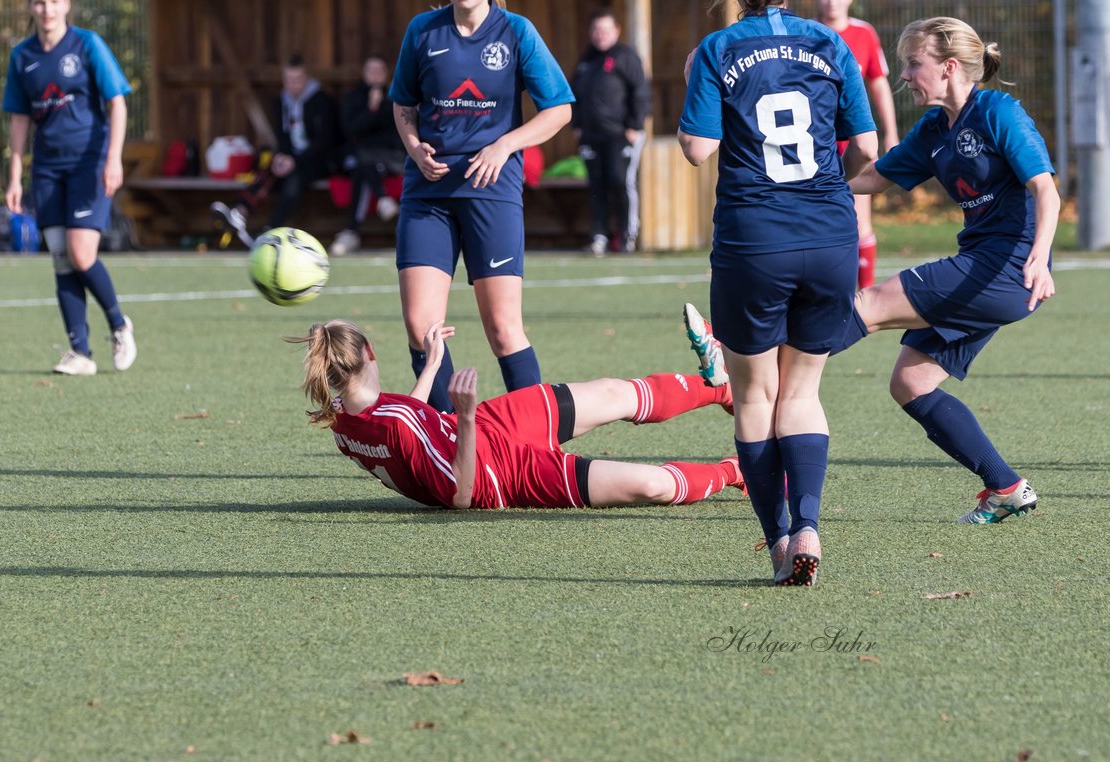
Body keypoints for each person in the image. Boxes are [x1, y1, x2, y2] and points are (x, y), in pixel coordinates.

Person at [679, 0, 877, 585]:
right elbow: (865, 145)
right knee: (803, 393)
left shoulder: (719, 48)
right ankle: (811, 524)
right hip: (831, 236)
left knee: (756, 399)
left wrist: (697, 78)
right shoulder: (829, 42)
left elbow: (696, 149)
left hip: (754, 242)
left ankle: (778, 540)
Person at [833, 17, 1058, 523]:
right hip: (985, 270)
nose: (905, 76)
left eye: (914, 64)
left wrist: (1040, 258)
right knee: (911, 383)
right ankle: (1006, 487)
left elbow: (1045, 189)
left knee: (869, 303)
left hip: (1003, 269)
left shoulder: (998, 111)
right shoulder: (935, 129)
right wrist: (811, 187)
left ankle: (735, 376)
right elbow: (874, 177)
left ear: (949, 67)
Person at [287, 319, 743, 511]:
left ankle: (719, 388)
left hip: (493, 424)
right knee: (652, 485)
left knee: (612, 393)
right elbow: (460, 496)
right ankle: (737, 470)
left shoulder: (343, 420)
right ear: (369, 351)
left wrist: (430, 367)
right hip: (504, 476)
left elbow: (410, 427)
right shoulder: (391, 422)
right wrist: (463, 417)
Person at [389, 0, 574, 414]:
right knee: (422, 328)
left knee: (504, 330)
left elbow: (559, 110)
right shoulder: (422, 31)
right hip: (428, 193)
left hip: (492, 190)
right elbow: (403, 105)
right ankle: (450, 441)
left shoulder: (517, 31)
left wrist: (505, 145)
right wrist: (415, 147)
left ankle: (534, 446)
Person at [3, 0, 137, 376]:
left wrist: (114, 158)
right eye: (39, 2)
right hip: (47, 168)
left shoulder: (87, 44)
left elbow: (118, 103)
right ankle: (80, 352)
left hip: (88, 164)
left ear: (67, 5)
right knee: (61, 256)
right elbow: (19, 120)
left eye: (54, 2)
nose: (47, 9)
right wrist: (15, 176)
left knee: (80, 254)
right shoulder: (22, 56)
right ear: (31, 7)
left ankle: (119, 325)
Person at [817, 0, 900, 288]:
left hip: (853, 140)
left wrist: (890, 132)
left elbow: (878, 83)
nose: (830, 2)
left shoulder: (864, 33)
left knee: (859, 218)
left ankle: (863, 296)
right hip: (816, 141)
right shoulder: (806, 32)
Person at [212, 57, 338, 244]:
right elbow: (283, 135)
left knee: (293, 182)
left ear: (306, 79)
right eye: (289, 80)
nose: (293, 85)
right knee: (268, 170)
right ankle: (239, 212)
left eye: (298, 79)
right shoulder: (281, 102)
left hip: (318, 161)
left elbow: (324, 142)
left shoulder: (321, 101)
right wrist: (281, 156)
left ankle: (270, 231)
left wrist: (295, 161)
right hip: (291, 159)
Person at [571, 7, 651, 257]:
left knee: (621, 182)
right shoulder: (586, 60)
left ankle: (627, 236)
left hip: (621, 135)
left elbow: (641, 92)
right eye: (596, 30)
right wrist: (577, 126)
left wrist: (635, 126)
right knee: (597, 186)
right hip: (592, 136)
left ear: (616, 30)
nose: (600, 34)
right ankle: (599, 237)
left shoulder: (626, 56)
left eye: (605, 30)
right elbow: (574, 96)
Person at [329, 55, 407, 257]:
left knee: (364, 164)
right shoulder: (353, 98)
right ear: (364, 73)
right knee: (362, 165)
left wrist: (382, 106)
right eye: (371, 70)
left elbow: (400, 133)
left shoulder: (397, 97)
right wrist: (371, 109)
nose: (375, 75)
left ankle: (351, 231)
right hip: (362, 157)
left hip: (390, 157)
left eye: (379, 70)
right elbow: (350, 131)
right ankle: (383, 200)